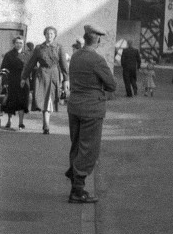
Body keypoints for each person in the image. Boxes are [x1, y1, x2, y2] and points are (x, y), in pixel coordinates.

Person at [65, 24, 117, 203]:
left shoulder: (76, 56)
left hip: (74, 107)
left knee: (77, 145)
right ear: (98, 40)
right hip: (92, 109)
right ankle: (78, 190)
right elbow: (111, 85)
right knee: (89, 149)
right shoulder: (97, 60)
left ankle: (75, 184)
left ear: (85, 38)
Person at [22, 26, 68, 134]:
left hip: (54, 74)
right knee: (42, 98)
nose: (49, 35)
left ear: (55, 35)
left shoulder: (59, 47)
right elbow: (31, 63)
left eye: (52, 33)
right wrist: (24, 77)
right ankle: (46, 123)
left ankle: (46, 123)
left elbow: (63, 64)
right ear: (45, 35)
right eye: (47, 33)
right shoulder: (39, 48)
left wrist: (66, 79)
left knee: (50, 98)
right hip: (41, 75)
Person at [0, 36, 32, 130]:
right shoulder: (9, 55)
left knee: (22, 101)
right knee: (11, 101)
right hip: (12, 80)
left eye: (21, 43)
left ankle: (21, 122)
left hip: (24, 81)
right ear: (14, 43)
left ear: (23, 44)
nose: (19, 45)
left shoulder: (27, 55)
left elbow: (30, 69)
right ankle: (9, 121)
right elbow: (4, 69)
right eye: (17, 43)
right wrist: (5, 82)